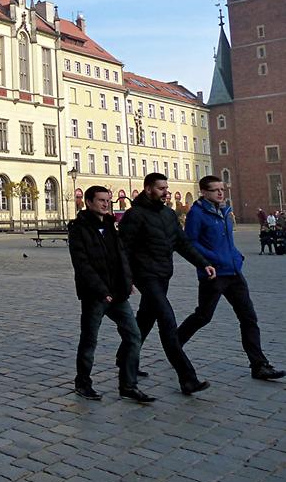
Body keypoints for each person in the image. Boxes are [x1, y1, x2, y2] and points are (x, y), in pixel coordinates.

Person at [178, 176, 285, 381]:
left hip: (234, 272)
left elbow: (228, 240)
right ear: (204, 192)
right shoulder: (197, 213)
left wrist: (236, 255)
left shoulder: (225, 211)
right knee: (203, 316)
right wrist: (212, 260)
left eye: (222, 189)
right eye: (215, 190)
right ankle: (174, 344)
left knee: (248, 317)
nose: (220, 193)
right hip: (214, 274)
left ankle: (259, 365)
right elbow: (190, 242)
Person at [119, 173, 216, 395]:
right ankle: (187, 378)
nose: (166, 192)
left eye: (166, 188)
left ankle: (123, 358)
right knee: (168, 322)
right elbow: (122, 249)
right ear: (148, 189)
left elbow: (182, 244)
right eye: (161, 188)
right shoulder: (135, 215)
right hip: (146, 276)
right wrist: (126, 279)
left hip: (163, 276)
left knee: (145, 319)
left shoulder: (169, 214)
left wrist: (203, 263)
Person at [68, 186, 154, 403]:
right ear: (88, 202)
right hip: (95, 295)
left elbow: (121, 257)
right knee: (89, 340)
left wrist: (128, 281)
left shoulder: (110, 225)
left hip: (118, 293)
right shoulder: (79, 228)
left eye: (108, 200)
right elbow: (82, 265)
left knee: (133, 336)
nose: (106, 204)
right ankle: (83, 382)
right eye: (101, 200)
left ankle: (128, 384)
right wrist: (101, 291)